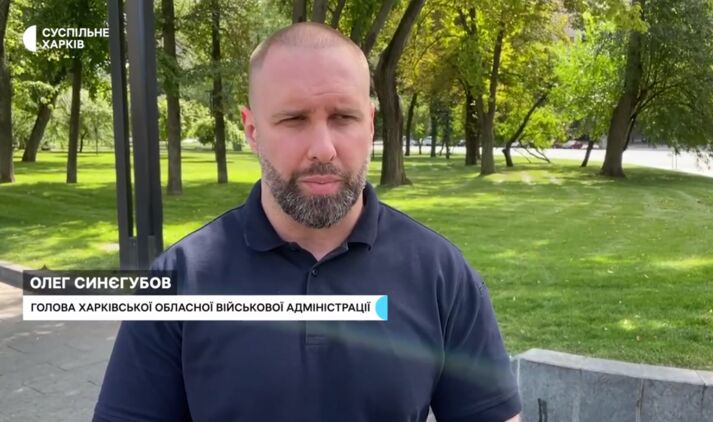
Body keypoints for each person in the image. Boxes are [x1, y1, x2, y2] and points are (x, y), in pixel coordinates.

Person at [93, 22, 521, 422]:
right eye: (294, 119)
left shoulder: (441, 273)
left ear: (371, 124)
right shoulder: (179, 279)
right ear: (252, 129)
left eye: (343, 118)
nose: (323, 148)